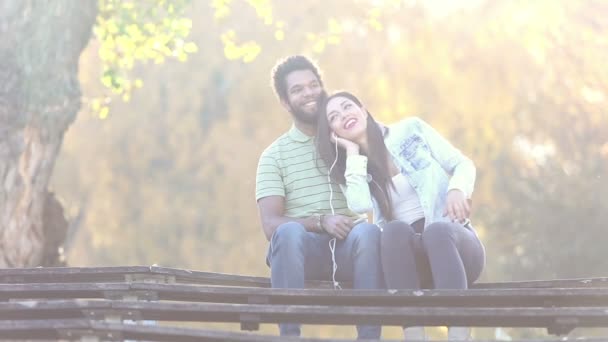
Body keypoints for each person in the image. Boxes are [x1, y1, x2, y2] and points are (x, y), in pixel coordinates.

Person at [316, 91, 486, 341]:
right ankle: (414, 335)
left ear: (363, 109)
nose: (344, 115)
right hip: (410, 265)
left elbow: (462, 164)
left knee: (436, 231)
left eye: (347, 107)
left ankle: (459, 335)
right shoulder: (351, 170)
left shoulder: (410, 129)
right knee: (393, 231)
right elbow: (361, 205)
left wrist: (457, 189)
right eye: (334, 117)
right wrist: (352, 153)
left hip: (455, 251)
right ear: (334, 133)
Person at [255, 57, 384, 339]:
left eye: (314, 85)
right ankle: (289, 335)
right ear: (286, 103)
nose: (309, 92)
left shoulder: (351, 137)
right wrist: (320, 221)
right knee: (287, 232)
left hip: (353, 250)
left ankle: (370, 337)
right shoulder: (273, 156)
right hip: (304, 254)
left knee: (368, 231)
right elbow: (270, 225)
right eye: (298, 89)